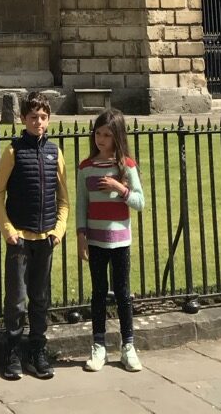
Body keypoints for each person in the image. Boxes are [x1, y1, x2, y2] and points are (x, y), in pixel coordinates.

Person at [0, 90, 68, 381]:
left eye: (43, 117)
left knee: (40, 298)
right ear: (23, 119)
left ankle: (37, 351)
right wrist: (8, 231)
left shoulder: (54, 152)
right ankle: (12, 352)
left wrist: (58, 231)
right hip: (20, 239)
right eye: (33, 117)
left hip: (46, 238)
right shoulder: (13, 151)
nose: (39, 122)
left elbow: (64, 199)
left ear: (48, 120)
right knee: (17, 300)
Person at [76, 108, 145, 373]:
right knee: (98, 294)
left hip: (120, 240)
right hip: (95, 239)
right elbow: (82, 204)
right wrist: (81, 236)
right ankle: (99, 346)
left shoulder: (126, 165)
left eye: (106, 135)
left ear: (117, 137)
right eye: (98, 134)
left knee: (123, 294)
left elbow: (140, 201)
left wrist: (120, 188)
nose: (101, 139)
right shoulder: (86, 167)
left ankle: (128, 346)